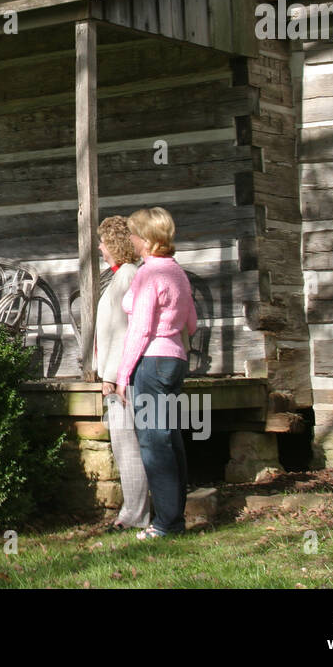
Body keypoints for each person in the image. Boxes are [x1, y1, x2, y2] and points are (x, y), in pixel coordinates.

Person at [115, 207, 197, 539]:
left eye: (134, 235)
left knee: (153, 442)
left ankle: (166, 523)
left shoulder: (148, 275)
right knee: (171, 439)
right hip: (175, 360)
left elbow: (140, 331)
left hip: (151, 362)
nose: (132, 241)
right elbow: (191, 323)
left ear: (147, 240)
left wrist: (123, 375)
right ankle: (174, 517)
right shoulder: (177, 272)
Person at [91, 215, 151, 532]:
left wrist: (111, 377)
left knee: (127, 444)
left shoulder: (128, 276)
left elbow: (124, 331)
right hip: (117, 374)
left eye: (103, 241)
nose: (100, 247)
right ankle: (133, 510)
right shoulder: (121, 276)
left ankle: (135, 514)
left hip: (121, 378)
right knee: (124, 443)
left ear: (114, 243)